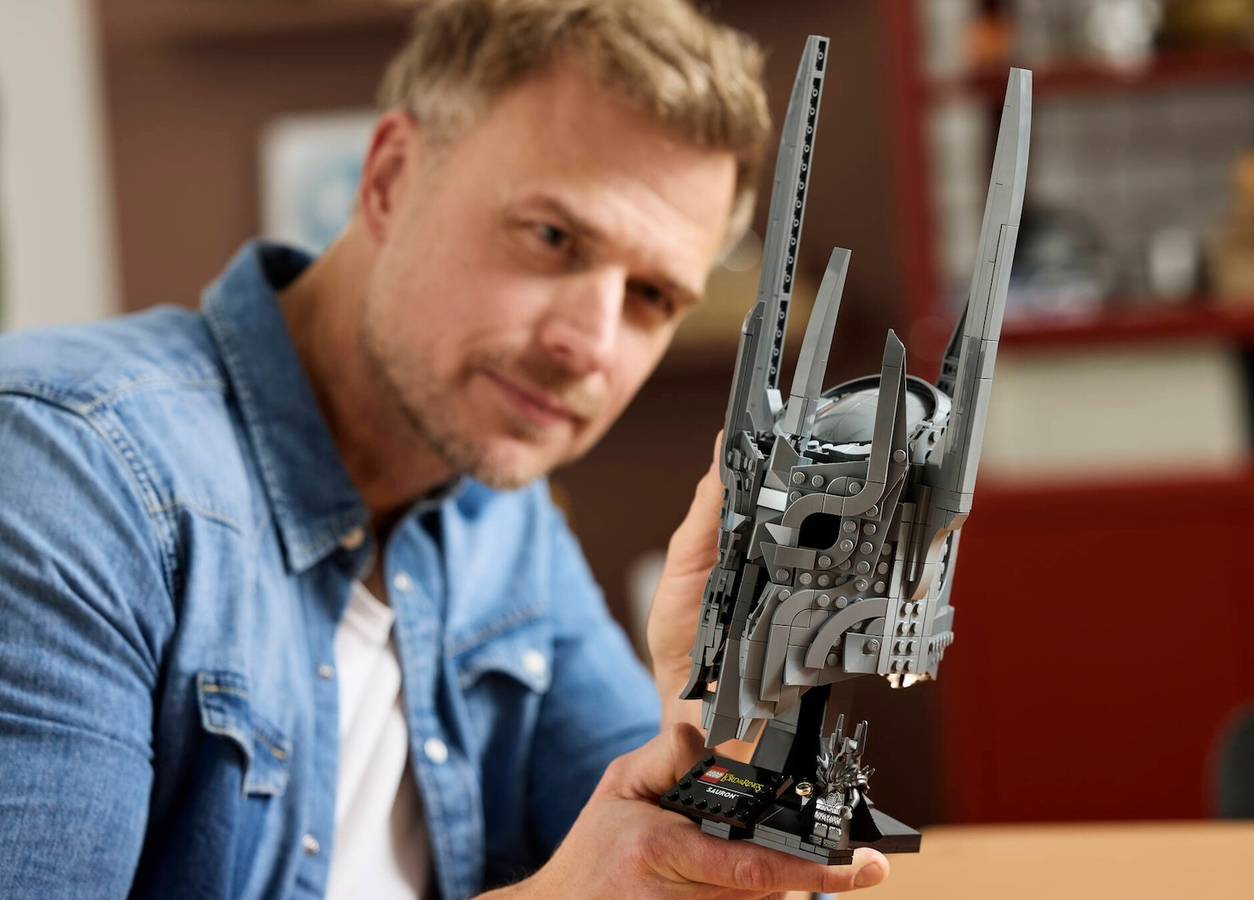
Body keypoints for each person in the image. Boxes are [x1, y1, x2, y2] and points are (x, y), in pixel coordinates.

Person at [0, 0, 890, 896]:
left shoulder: (502, 517)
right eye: (553, 237)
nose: (589, 342)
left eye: (653, 296)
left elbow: (653, 855)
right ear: (388, 178)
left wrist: (725, 717)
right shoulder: (64, 468)